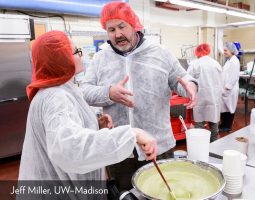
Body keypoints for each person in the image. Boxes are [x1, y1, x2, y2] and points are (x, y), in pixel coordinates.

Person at [81, 2, 198, 190]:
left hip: (157, 144)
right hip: (119, 146)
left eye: (121, 26)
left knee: (162, 190)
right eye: (111, 29)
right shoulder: (100, 58)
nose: (117, 34)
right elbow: (85, 91)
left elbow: (181, 78)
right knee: (125, 193)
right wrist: (108, 93)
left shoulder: (159, 52)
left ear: (133, 25)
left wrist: (190, 86)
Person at [18, 31, 157, 185]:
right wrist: (131, 134)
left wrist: (95, 124)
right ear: (61, 60)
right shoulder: (55, 97)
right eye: (77, 52)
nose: (81, 56)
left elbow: (68, 129)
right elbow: (70, 149)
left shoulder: (62, 88)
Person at [187, 43, 222, 142]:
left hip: (200, 98)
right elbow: (221, 81)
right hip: (214, 98)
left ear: (197, 52)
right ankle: (214, 143)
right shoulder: (216, 63)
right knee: (213, 121)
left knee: (199, 124)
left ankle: (200, 144)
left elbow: (188, 80)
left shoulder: (195, 64)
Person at [219, 42, 240, 132]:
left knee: (230, 107)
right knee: (224, 107)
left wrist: (227, 87)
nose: (224, 52)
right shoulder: (229, 60)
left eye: (226, 50)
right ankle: (223, 124)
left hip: (230, 89)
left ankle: (228, 126)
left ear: (231, 51)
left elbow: (234, 77)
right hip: (225, 88)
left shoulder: (235, 61)